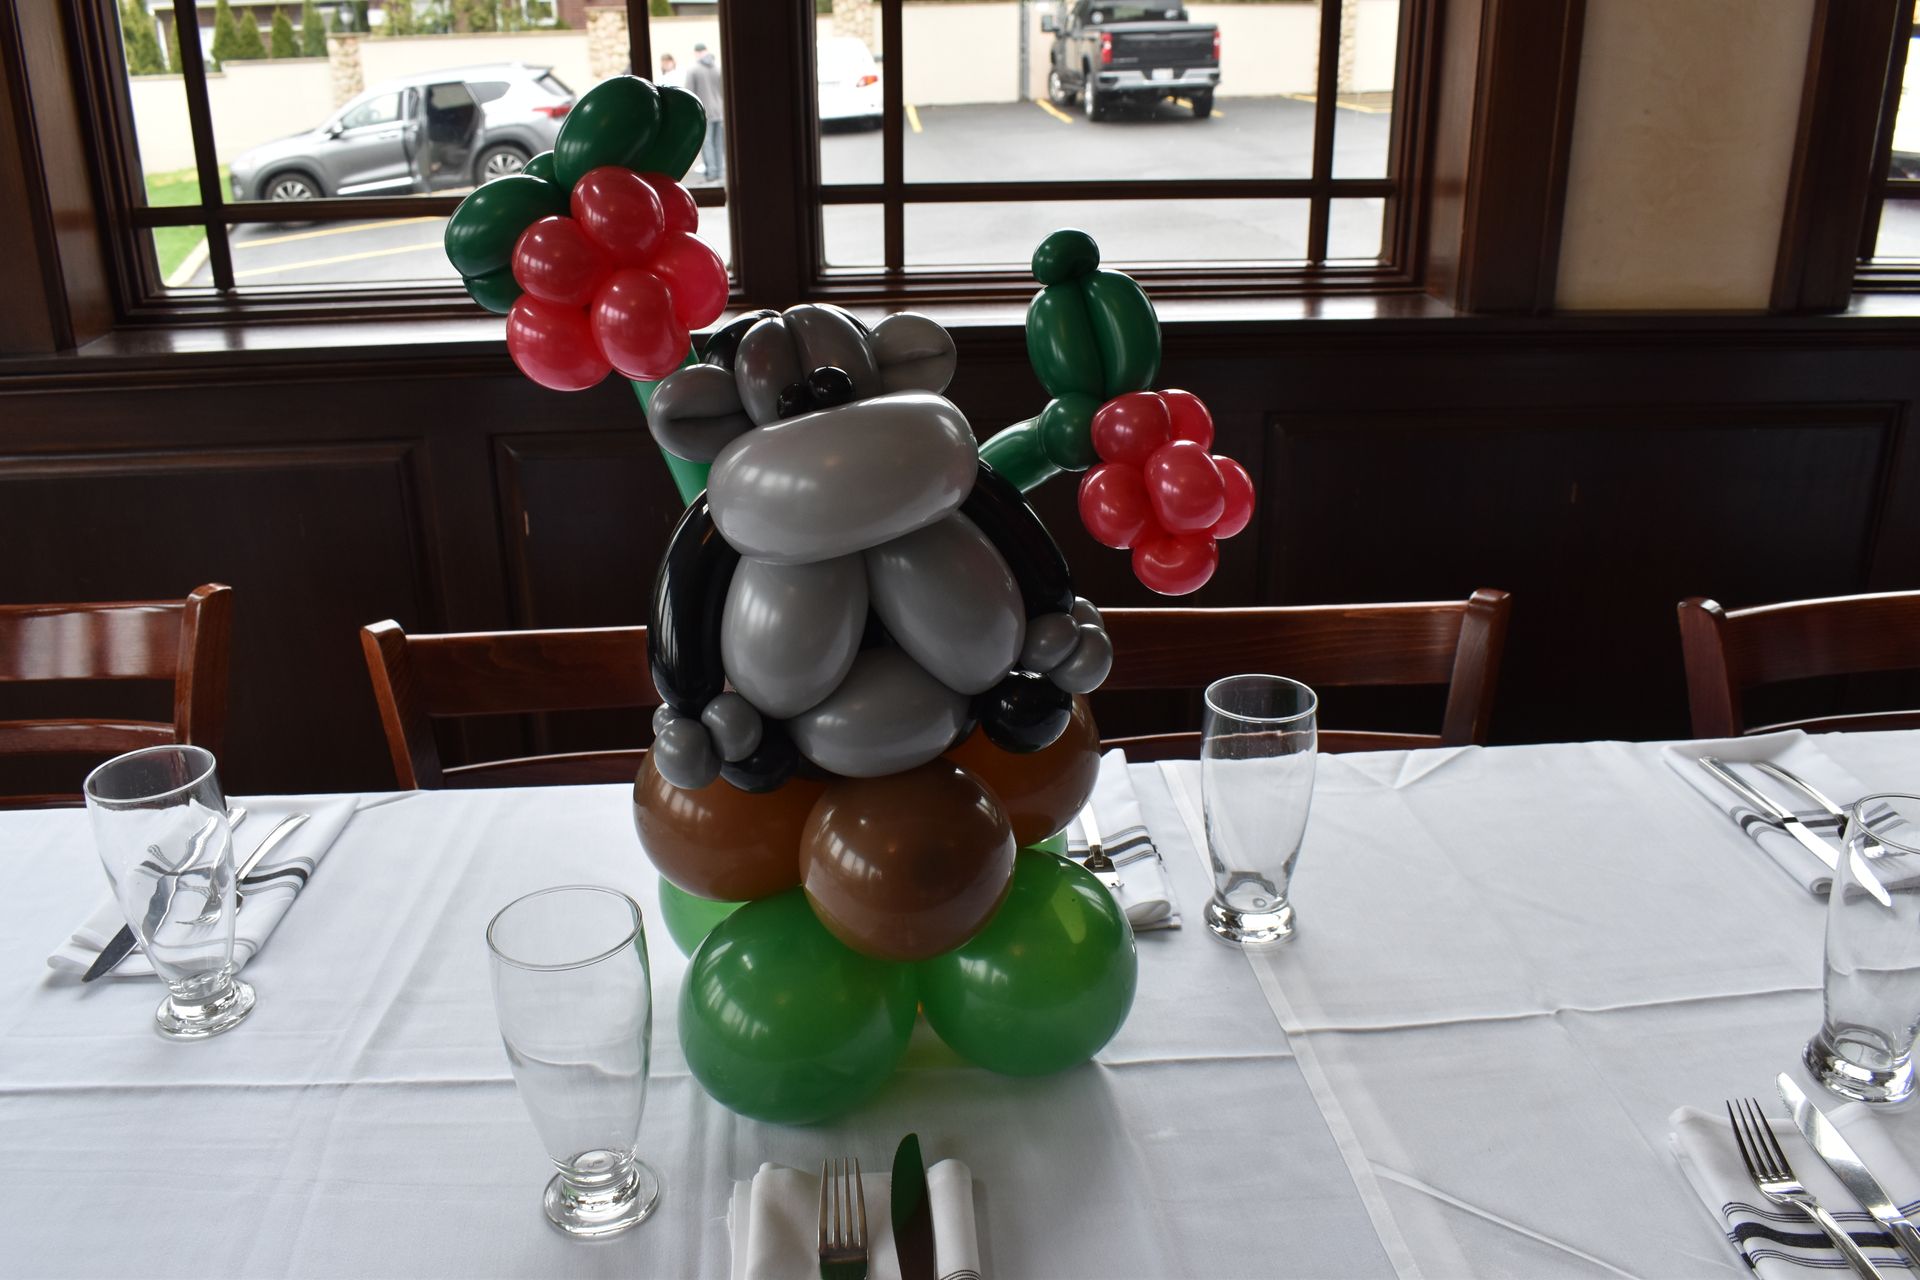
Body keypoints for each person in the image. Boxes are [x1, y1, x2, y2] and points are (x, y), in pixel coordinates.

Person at [684, 43, 725, 184]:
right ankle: (719, 171)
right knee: (718, 143)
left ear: (696, 53)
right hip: (719, 111)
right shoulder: (718, 68)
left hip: (704, 112)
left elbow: (688, 94)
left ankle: (711, 172)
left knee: (706, 143)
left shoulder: (693, 70)